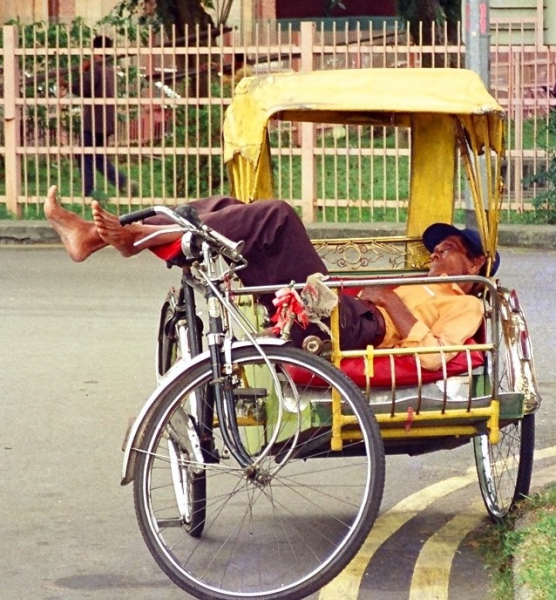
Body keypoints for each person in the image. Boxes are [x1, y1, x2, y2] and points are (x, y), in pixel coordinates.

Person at [44, 188, 500, 369]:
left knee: (277, 218)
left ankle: (130, 237)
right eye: (437, 248)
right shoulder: (418, 281)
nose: (438, 252)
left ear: (477, 264)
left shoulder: (469, 302)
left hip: (357, 329)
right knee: (228, 206)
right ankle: (126, 237)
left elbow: (436, 359)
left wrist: (388, 299)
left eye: (452, 249)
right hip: (330, 312)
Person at [72, 35, 131, 197]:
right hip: (106, 122)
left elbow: (83, 90)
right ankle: (123, 183)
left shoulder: (96, 69)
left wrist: (81, 72)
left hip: (93, 122)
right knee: (98, 158)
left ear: (95, 50)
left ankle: (88, 192)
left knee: (86, 157)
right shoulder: (110, 70)